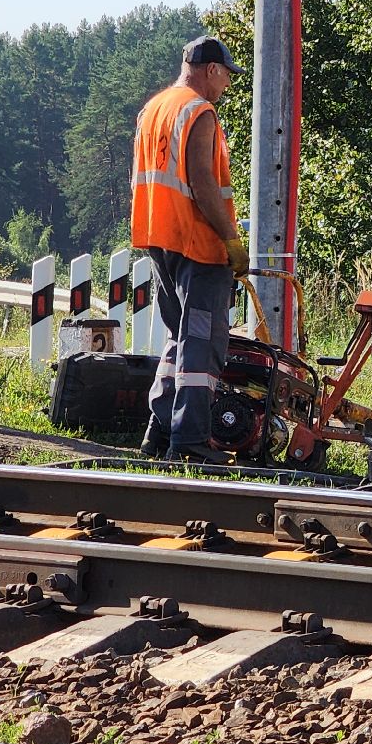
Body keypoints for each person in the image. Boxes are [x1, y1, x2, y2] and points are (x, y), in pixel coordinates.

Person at [130, 36, 250, 464]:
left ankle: (159, 432)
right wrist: (231, 239)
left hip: (158, 236)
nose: (227, 85)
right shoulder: (200, 111)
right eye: (226, 76)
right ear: (211, 70)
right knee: (202, 342)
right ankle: (191, 440)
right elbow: (202, 182)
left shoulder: (154, 108)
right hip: (198, 244)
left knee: (177, 338)